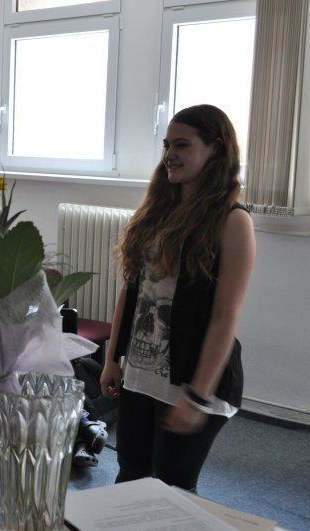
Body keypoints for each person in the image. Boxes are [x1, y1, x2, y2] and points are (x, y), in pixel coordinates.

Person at [100, 104, 255, 492]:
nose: (170, 155)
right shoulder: (157, 211)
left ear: (215, 150)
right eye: (167, 145)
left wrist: (197, 396)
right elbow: (131, 289)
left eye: (182, 145)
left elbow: (225, 317)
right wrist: (111, 359)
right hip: (140, 374)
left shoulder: (233, 221)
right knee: (130, 478)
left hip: (193, 382)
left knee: (172, 490)